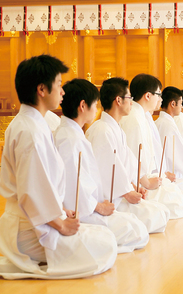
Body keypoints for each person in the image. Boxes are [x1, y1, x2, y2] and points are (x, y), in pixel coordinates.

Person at [0, 55, 117, 279]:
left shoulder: (34, 124)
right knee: (105, 245)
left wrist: (62, 211)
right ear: (42, 89)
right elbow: (30, 193)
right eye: (59, 85)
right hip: (27, 229)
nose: (63, 93)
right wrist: (61, 224)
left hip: (35, 221)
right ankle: (28, 262)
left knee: (104, 237)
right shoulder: (30, 132)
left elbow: (42, 186)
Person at [54, 78, 149, 253]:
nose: (97, 109)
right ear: (83, 106)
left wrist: (132, 186)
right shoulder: (70, 138)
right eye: (95, 104)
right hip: (82, 211)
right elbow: (74, 185)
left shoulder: (74, 134)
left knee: (137, 227)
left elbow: (120, 165)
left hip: (92, 205)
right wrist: (98, 206)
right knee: (135, 231)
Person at [86, 77, 170, 233]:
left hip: (122, 192)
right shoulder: (102, 130)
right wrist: (127, 192)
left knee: (161, 212)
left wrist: (135, 185)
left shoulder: (115, 128)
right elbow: (106, 170)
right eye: (129, 98)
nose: (132, 102)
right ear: (118, 100)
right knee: (147, 224)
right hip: (111, 199)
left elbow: (126, 163)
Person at [120, 74, 183, 218]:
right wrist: (145, 182)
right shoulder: (134, 118)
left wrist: (161, 175)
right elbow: (132, 158)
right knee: (176, 206)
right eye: (158, 94)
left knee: (182, 199)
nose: (160, 99)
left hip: (147, 177)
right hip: (139, 183)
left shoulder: (142, 115)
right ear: (147, 96)